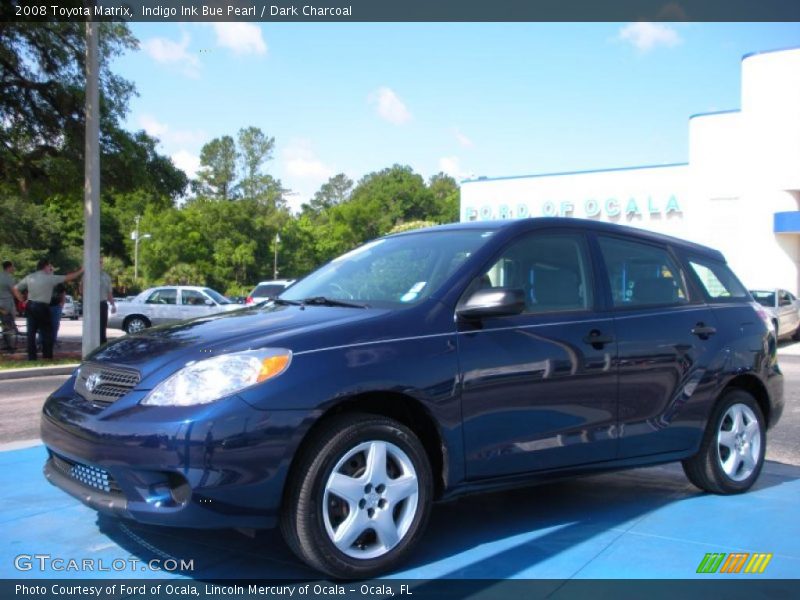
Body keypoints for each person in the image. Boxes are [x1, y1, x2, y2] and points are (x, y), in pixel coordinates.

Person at [14, 259, 83, 360]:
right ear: (45, 267)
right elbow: (69, 277)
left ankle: (32, 357)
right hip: (42, 306)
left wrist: (21, 299)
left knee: (31, 332)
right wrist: (81, 270)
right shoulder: (50, 278)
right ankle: (47, 356)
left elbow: (15, 288)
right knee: (47, 332)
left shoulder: (30, 277)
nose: (50, 268)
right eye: (49, 266)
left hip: (30, 305)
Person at [81, 257, 116, 344]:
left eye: (101, 262)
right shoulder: (88, 275)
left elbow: (109, 293)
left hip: (102, 304)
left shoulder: (106, 276)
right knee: (91, 327)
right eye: (98, 262)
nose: (100, 264)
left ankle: (102, 346)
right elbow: (82, 290)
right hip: (91, 305)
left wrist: (113, 304)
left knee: (102, 327)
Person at [0, 261, 19, 352]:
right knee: (9, 324)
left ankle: (6, 343)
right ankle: (10, 345)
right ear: (9, 267)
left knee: (4, 324)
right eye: (13, 267)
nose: (13, 268)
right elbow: (14, 291)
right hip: (7, 303)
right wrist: (22, 299)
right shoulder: (8, 278)